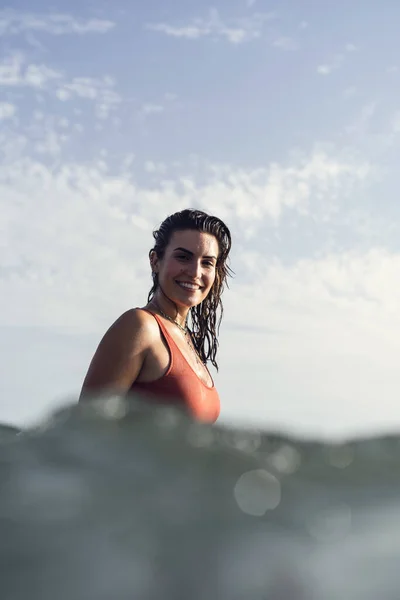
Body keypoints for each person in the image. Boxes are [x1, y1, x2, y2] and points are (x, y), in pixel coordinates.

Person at [79, 208, 233, 423]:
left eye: (207, 262)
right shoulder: (140, 326)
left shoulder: (188, 340)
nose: (195, 272)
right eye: (183, 257)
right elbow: (86, 426)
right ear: (155, 260)